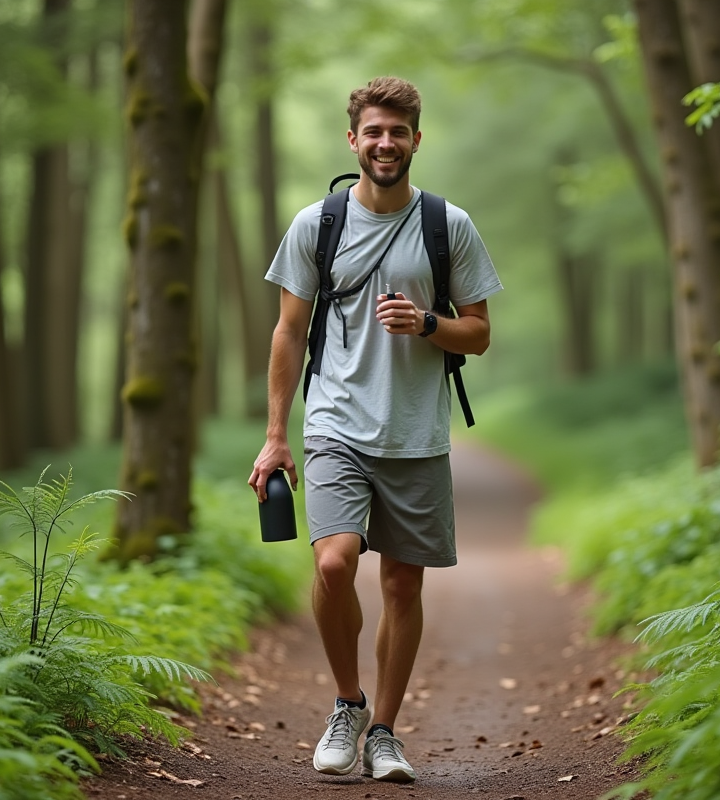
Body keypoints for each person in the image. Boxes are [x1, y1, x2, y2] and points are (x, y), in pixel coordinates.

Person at [248, 76, 503, 784]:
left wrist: (427, 323)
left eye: (398, 132)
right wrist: (276, 436)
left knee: (401, 588)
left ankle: (385, 732)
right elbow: (288, 332)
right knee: (333, 563)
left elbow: (478, 335)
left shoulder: (447, 225)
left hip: (418, 432)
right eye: (373, 131)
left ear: (417, 140)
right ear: (352, 139)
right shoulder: (316, 225)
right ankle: (348, 703)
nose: (385, 143)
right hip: (335, 425)